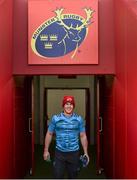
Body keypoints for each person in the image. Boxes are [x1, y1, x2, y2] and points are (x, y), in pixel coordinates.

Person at [43, 95, 89, 179]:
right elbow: (49, 134)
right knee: (58, 176)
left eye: (71, 104)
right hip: (59, 153)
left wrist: (86, 152)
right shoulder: (55, 118)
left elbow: (83, 136)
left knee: (73, 177)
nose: (69, 106)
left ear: (73, 106)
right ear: (63, 105)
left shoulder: (79, 119)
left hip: (74, 153)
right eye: (66, 104)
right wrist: (46, 150)